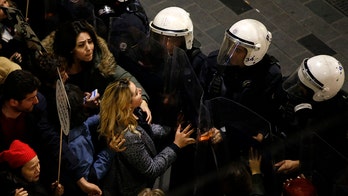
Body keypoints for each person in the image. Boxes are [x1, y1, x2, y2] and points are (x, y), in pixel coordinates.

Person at [0, 69, 102, 195]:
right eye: (31, 98)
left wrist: (81, 180)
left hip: (35, 166)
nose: (36, 101)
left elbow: (52, 139)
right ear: (13, 102)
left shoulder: (37, 107)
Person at [98, 78, 196, 196]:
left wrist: (171, 130)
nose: (140, 90)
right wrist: (176, 145)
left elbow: (147, 131)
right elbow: (152, 169)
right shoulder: (128, 137)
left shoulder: (132, 113)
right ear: (127, 104)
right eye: (136, 93)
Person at [41, 19, 152, 121]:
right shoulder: (54, 69)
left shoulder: (100, 60)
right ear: (70, 49)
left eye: (90, 41)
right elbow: (52, 107)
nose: (89, 48)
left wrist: (142, 101)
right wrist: (82, 104)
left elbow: (125, 76)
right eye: (81, 45)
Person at [270, 55, 347, 195]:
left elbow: (332, 158)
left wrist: (300, 163)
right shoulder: (301, 92)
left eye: (303, 86)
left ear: (319, 94)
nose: (297, 87)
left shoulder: (337, 119)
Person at [0, 139, 64, 196]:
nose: (38, 170)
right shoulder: (10, 188)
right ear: (19, 171)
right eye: (32, 168)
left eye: (38, 163)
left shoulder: (36, 178)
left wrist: (54, 193)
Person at [0, 0, 46, 69]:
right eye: (0, 7)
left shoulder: (16, 18)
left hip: (28, 58)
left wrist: (25, 29)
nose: (5, 6)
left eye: (5, 2)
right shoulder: (1, 28)